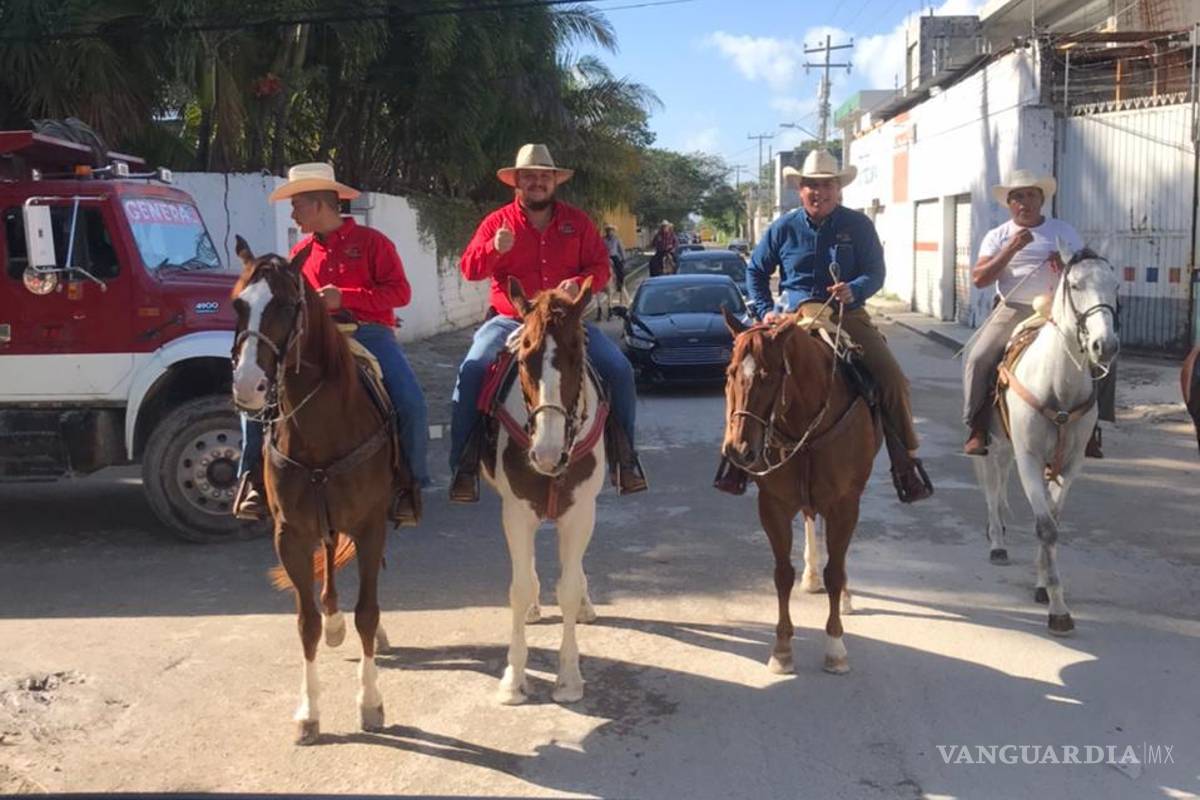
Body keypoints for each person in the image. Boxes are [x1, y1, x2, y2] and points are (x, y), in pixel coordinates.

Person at [716, 148, 933, 503]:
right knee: (746, 372)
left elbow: (875, 272)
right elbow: (756, 270)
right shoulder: (783, 227)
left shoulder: (858, 225)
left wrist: (855, 289)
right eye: (812, 186)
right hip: (791, 316)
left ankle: (905, 463)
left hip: (847, 315)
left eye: (827, 185)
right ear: (800, 190)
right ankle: (735, 459)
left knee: (892, 378)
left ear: (839, 189)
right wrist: (765, 310)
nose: (820, 192)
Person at [448, 143, 648, 501]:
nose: (537, 182)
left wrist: (581, 283)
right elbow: (469, 269)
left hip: (565, 324)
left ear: (555, 181)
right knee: (474, 368)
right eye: (530, 177)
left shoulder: (578, 222)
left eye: (544, 176)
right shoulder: (497, 223)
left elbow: (600, 267)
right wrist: (494, 249)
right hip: (511, 322)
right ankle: (464, 466)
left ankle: (625, 458)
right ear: (517, 182)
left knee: (619, 370)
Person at [233, 162, 428, 523]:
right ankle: (254, 482)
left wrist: (345, 298)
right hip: (311, 340)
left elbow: (400, 292)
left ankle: (409, 485)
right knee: (260, 395)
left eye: (297, 205)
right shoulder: (300, 255)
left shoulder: (374, 243)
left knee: (411, 402)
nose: (293, 213)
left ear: (320, 204)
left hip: (369, 332)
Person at [962, 168, 1102, 457]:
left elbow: (1084, 269)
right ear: (1009, 203)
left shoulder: (1063, 231)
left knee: (1102, 353)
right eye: (1018, 197)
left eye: (1031, 195)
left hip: (1061, 310)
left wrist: (1065, 264)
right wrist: (1011, 249)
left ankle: (1092, 426)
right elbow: (979, 279)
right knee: (978, 357)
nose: (1025, 202)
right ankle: (977, 426)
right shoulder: (998, 236)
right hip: (1014, 308)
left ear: (1042, 200)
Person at [600, 223, 628, 318]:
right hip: (605, 258)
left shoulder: (617, 239)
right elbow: (599, 249)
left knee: (619, 269)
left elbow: (621, 250)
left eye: (611, 230)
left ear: (613, 231)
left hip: (614, 257)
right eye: (608, 230)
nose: (609, 232)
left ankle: (620, 283)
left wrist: (624, 258)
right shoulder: (602, 239)